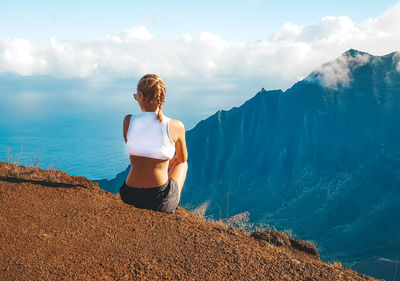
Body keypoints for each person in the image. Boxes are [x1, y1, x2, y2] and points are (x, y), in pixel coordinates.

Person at [119, 74, 188, 214]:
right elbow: (182, 159)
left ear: (142, 97)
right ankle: (172, 202)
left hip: (129, 195)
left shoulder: (128, 121)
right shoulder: (176, 126)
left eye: (136, 96)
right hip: (158, 201)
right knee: (183, 164)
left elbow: (135, 145)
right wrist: (169, 160)